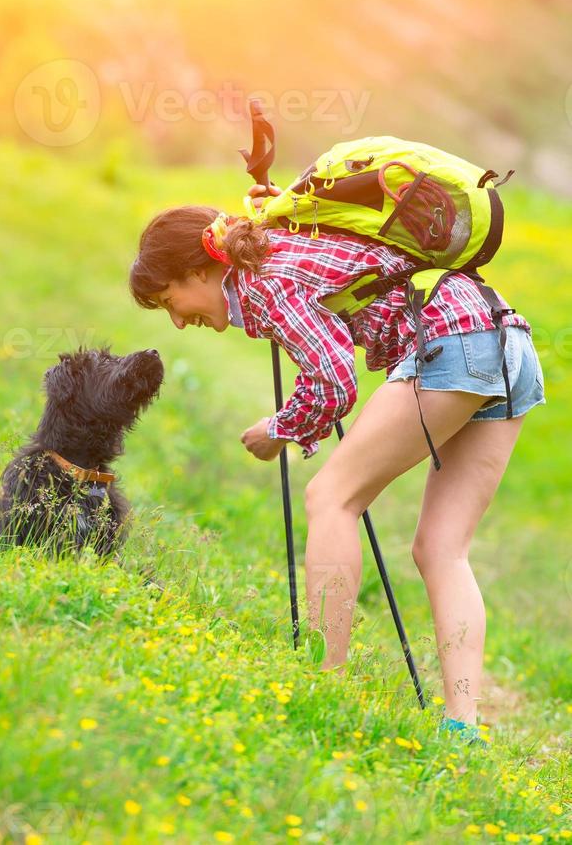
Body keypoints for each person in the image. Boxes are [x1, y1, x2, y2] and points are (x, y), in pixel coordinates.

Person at [129, 189, 545, 738]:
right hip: (507, 342)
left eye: (167, 301)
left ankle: (326, 682)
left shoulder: (266, 279)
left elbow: (332, 379)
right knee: (442, 548)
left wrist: (278, 430)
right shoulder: (284, 245)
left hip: (453, 341)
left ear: (198, 271)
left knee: (331, 498)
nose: (178, 323)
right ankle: (461, 729)